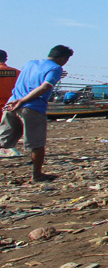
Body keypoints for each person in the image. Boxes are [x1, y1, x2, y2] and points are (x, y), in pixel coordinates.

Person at [1, 45, 73, 181]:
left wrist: (18, 100)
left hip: (11, 104)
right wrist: (23, 101)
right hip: (31, 106)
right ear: (63, 58)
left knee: (2, 139)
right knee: (37, 143)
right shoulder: (56, 68)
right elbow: (45, 86)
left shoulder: (30, 63)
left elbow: (31, 79)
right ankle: (37, 174)